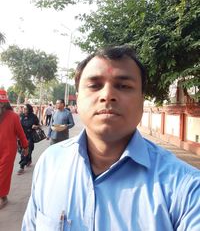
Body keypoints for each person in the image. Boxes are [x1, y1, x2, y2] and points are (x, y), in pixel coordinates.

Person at [22, 46, 200, 230]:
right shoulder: (50, 163)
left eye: (123, 86)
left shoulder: (187, 189)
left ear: (142, 99)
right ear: (78, 98)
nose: (107, 95)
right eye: (94, 85)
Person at [0, 89, 28, 209]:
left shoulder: (13, 116)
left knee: (3, 174)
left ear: (5, 104)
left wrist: (25, 146)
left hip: (8, 151)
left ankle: (2, 197)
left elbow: (20, 133)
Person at [17, 104, 40, 175]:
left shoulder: (33, 117)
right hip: (22, 136)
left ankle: (21, 166)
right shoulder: (21, 116)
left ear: (29, 109)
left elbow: (39, 125)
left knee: (27, 149)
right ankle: (29, 159)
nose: (24, 110)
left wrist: (36, 126)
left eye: (25, 109)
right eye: (23, 108)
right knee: (22, 150)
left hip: (30, 135)